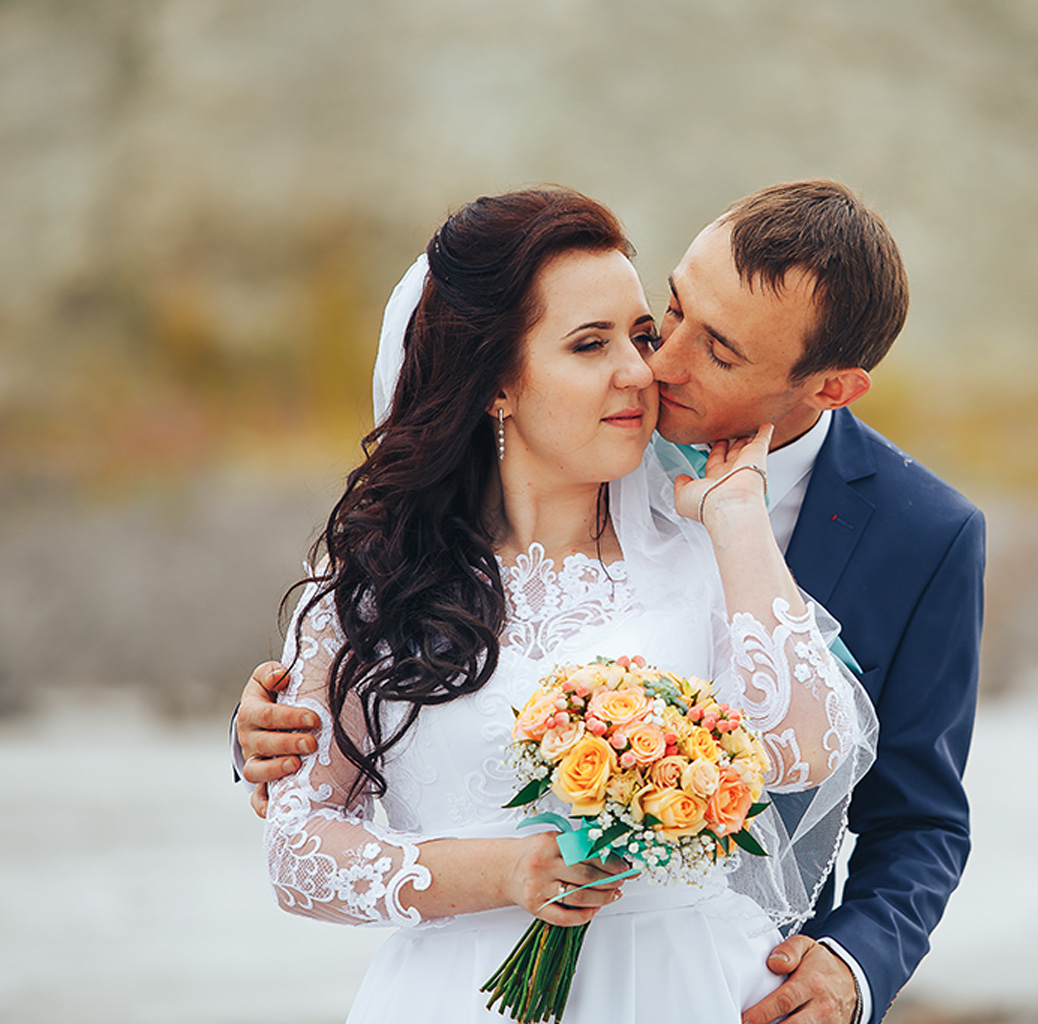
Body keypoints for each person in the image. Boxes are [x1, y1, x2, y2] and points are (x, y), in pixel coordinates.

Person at [240, 180, 985, 1024]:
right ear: (495, 383)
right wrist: (277, 726)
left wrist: (855, 968)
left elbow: (878, 793)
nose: (653, 368)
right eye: (659, 317)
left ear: (828, 388)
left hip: (710, 982)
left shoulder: (886, 534)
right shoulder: (382, 574)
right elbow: (312, 818)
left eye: (718, 352)